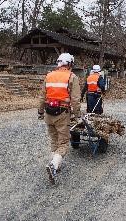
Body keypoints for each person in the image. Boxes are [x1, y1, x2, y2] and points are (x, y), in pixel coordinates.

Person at [38, 53, 81, 184]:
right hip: (62, 113)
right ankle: (54, 166)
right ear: (69, 64)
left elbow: (42, 97)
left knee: (54, 139)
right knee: (63, 143)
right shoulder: (72, 77)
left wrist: (40, 112)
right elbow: (75, 100)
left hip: (48, 112)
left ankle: (55, 162)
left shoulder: (49, 76)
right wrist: (77, 115)